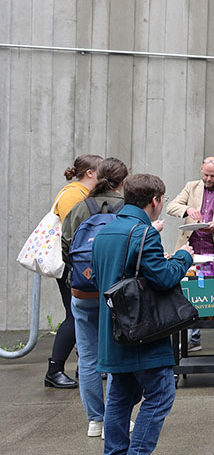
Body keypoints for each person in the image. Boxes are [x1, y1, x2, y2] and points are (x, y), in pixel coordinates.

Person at [93, 174, 193, 455]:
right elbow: (163, 278)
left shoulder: (104, 230)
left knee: (120, 397)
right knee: (161, 393)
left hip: (113, 329)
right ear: (155, 201)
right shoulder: (144, 232)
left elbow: (99, 278)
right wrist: (183, 257)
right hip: (142, 331)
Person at [63, 157, 129, 437]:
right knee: (115, 356)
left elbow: (66, 248)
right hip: (115, 292)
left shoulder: (80, 207)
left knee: (88, 357)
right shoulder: (126, 209)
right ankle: (114, 420)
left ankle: (95, 421)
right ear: (122, 181)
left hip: (82, 291)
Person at [166, 156, 214, 353]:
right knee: (189, 294)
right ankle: (193, 339)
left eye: (212, 176)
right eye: (205, 175)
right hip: (190, 250)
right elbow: (171, 207)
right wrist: (187, 209)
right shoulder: (191, 187)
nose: (208, 179)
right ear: (201, 171)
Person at [44, 154, 103, 389]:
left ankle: (84, 366)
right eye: (101, 171)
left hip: (77, 264)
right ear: (90, 173)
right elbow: (77, 233)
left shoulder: (81, 193)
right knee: (74, 316)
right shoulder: (73, 194)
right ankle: (54, 370)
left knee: (81, 316)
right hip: (73, 265)